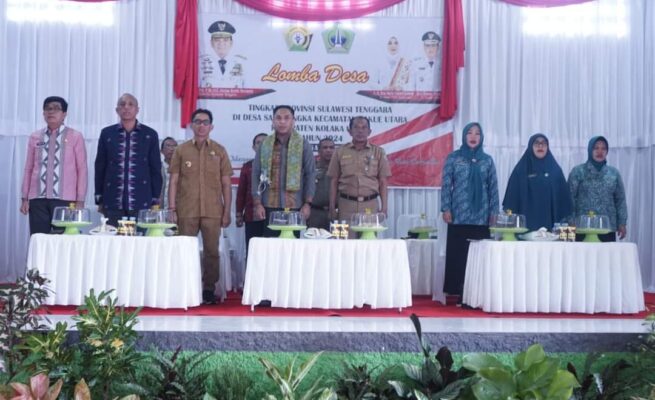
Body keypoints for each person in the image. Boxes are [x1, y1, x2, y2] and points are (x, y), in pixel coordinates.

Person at [168, 108, 233, 305]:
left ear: (211, 126)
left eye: (205, 122)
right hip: (186, 209)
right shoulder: (181, 150)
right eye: (197, 121)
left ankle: (208, 289)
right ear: (192, 125)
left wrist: (227, 211)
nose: (201, 125)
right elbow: (174, 181)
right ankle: (183, 286)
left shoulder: (220, 150)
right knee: (184, 250)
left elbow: (226, 184)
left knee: (212, 252)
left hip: (213, 210)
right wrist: (171, 209)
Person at [440, 123, 499, 298]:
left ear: (481, 138)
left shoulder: (487, 160)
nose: (473, 136)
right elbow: (446, 185)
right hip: (458, 214)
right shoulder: (453, 158)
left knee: (479, 255)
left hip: (481, 215)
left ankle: (478, 292)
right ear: (464, 136)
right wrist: (446, 208)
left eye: (477, 134)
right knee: (459, 255)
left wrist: (494, 212)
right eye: (470, 133)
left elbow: (493, 187)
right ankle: (458, 291)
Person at [20, 96, 88, 235]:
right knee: (39, 239)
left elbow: (82, 169)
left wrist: (80, 200)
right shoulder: (35, 137)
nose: (51, 112)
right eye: (48, 108)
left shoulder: (75, 136)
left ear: (64, 114)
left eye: (56, 108)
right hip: (38, 199)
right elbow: (28, 168)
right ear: (43, 113)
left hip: (66, 200)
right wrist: (25, 198)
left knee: (63, 240)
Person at [94, 93, 162, 228]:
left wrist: (155, 198)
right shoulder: (107, 133)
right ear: (117, 110)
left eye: (131, 104)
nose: (126, 107)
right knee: (114, 242)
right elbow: (100, 166)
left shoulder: (149, 134)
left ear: (137, 109)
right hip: (112, 198)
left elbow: (155, 168)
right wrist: (99, 196)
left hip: (142, 199)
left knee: (139, 243)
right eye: (122, 104)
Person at [252, 105, 315, 237]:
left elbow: (310, 174)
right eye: (278, 118)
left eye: (287, 118)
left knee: (292, 247)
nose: (282, 122)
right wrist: (257, 203)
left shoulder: (303, 144)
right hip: (269, 205)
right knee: (271, 246)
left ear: (293, 121)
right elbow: (256, 174)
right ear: (273, 121)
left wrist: (308, 203)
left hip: (295, 206)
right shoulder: (265, 145)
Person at [328, 116, 391, 238]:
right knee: (342, 243)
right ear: (349, 131)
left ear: (369, 131)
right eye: (356, 127)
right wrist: (332, 207)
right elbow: (334, 181)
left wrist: (384, 208)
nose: (360, 131)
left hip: (370, 206)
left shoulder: (378, 152)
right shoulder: (340, 151)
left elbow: (383, 181)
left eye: (364, 127)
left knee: (369, 244)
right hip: (345, 206)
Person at [503, 133, 572, 231]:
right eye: (536, 143)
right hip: (524, 229)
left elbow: (563, 202)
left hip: (550, 229)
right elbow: (512, 200)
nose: (540, 146)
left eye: (544, 143)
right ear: (530, 147)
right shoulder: (520, 170)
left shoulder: (555, 171)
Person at [568, 136, 627, 241]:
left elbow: (620, 200)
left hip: (607, 227)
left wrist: (622, 223)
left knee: (606, 257)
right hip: (582, 227)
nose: (600, 151)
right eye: (596, 148)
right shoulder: (578, 171)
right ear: (590, 150)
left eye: (603, 148)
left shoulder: (613, 173)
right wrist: (571, 221)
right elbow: (569, 198)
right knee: (582, 257)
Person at [236, 132, 267, 255]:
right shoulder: (248, 166)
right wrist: (239, 214)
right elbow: (241, 192)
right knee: (253, 250)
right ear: (253, 147)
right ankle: (252, 274)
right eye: (258, 143)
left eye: (265, 142)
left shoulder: (278, 166)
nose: (262, 145)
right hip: (251, 214)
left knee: (270, 249)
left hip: (272, 216)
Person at [199, 20, 246, 89]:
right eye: (217, 40)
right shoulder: (201, 63)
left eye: (225, 40)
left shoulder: (243, 63)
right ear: (211, 43)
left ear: (231, 43)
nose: (221, 43)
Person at [307, 138, 335, 231]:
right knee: (314, 243)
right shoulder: (311, 168)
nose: (328, 150)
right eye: (325, 147)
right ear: (319, 150)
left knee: (338, 243)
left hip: (336, 212)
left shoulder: (341, 168)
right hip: (315, 213)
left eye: (331, 148)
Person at [159, 137, 178, 210]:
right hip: (159, 209)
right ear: (161, 151)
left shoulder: (182, 169)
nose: (172, 149)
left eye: (174, 146)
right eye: (168, 146)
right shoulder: (157, 169)